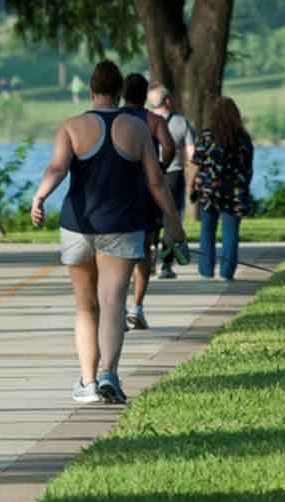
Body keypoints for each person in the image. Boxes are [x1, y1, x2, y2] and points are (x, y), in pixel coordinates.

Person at [29, 60, 187, 405]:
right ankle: (109, 375)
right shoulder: (137, 128)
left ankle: (87, 382)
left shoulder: (71, 126)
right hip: (123, 225)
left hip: (77, 226)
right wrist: (173, 222)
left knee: (86, 307)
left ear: (91, 91)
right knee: (113, 302)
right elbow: (156, 182)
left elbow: (57, 167)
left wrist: (40, 197)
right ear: (119, 92)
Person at [120, 73, 175, 331]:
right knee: (143, 248)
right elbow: (169, 146)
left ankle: (118, 306)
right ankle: (137, 307)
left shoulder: (114, 119)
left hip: (120, 190)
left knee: (118, 250)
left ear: (123, 94)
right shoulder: (154, 120)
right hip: (146, 190)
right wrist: (161, 165)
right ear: (144, 95)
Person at [192, 97, 254, 281]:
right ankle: (226, 272)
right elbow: (248, 167)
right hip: (235, 191)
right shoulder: (243, 138)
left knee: (207, 230)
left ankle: (206, 271)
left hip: (209, 190)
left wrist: (191, 185)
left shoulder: (206, 136)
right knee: (231, 232)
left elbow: (196, 163)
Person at [147, 84, 196, 278]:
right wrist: (193, 179)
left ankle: (148, 259)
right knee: (170, 220)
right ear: (167, 100)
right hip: (173, 175)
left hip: (150, 174)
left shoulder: (145, 121)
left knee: (151, 219)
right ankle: (166, 266)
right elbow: (192, 154)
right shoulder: (181, 122)